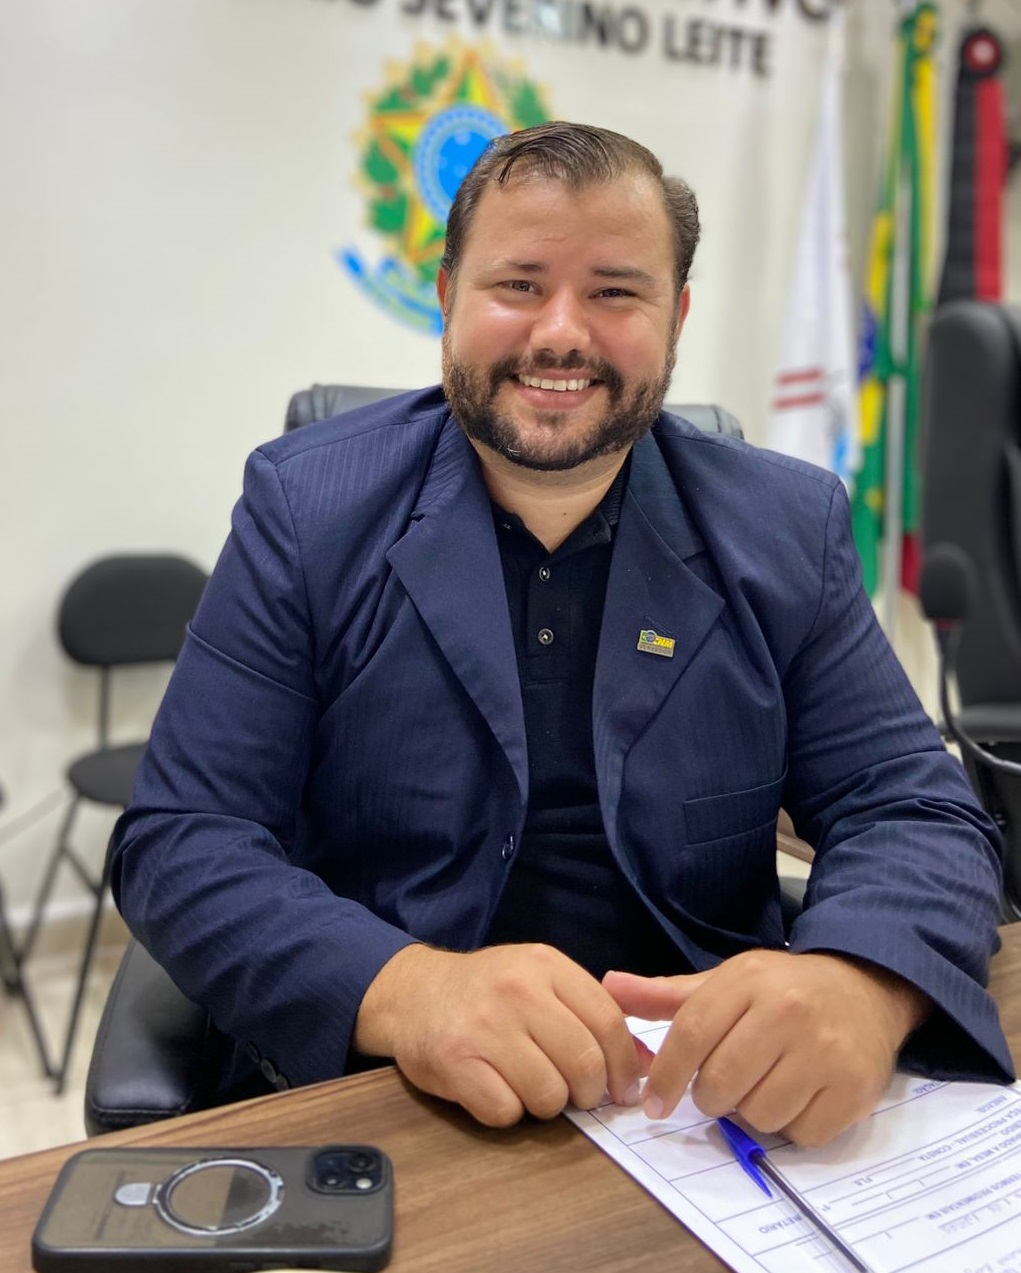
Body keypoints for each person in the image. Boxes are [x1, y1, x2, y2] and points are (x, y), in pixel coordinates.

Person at [111, 121, 1013, 1149]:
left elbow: (911, 805)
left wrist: (861, 979)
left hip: (702, 1105)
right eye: (519, 284)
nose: (561, 333)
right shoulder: (306, 511)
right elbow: (182, 838)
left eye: (615, 292)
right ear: (447, 296)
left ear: (675, 318)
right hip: (396, 1091)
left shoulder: (784, 525)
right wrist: (404, 989)